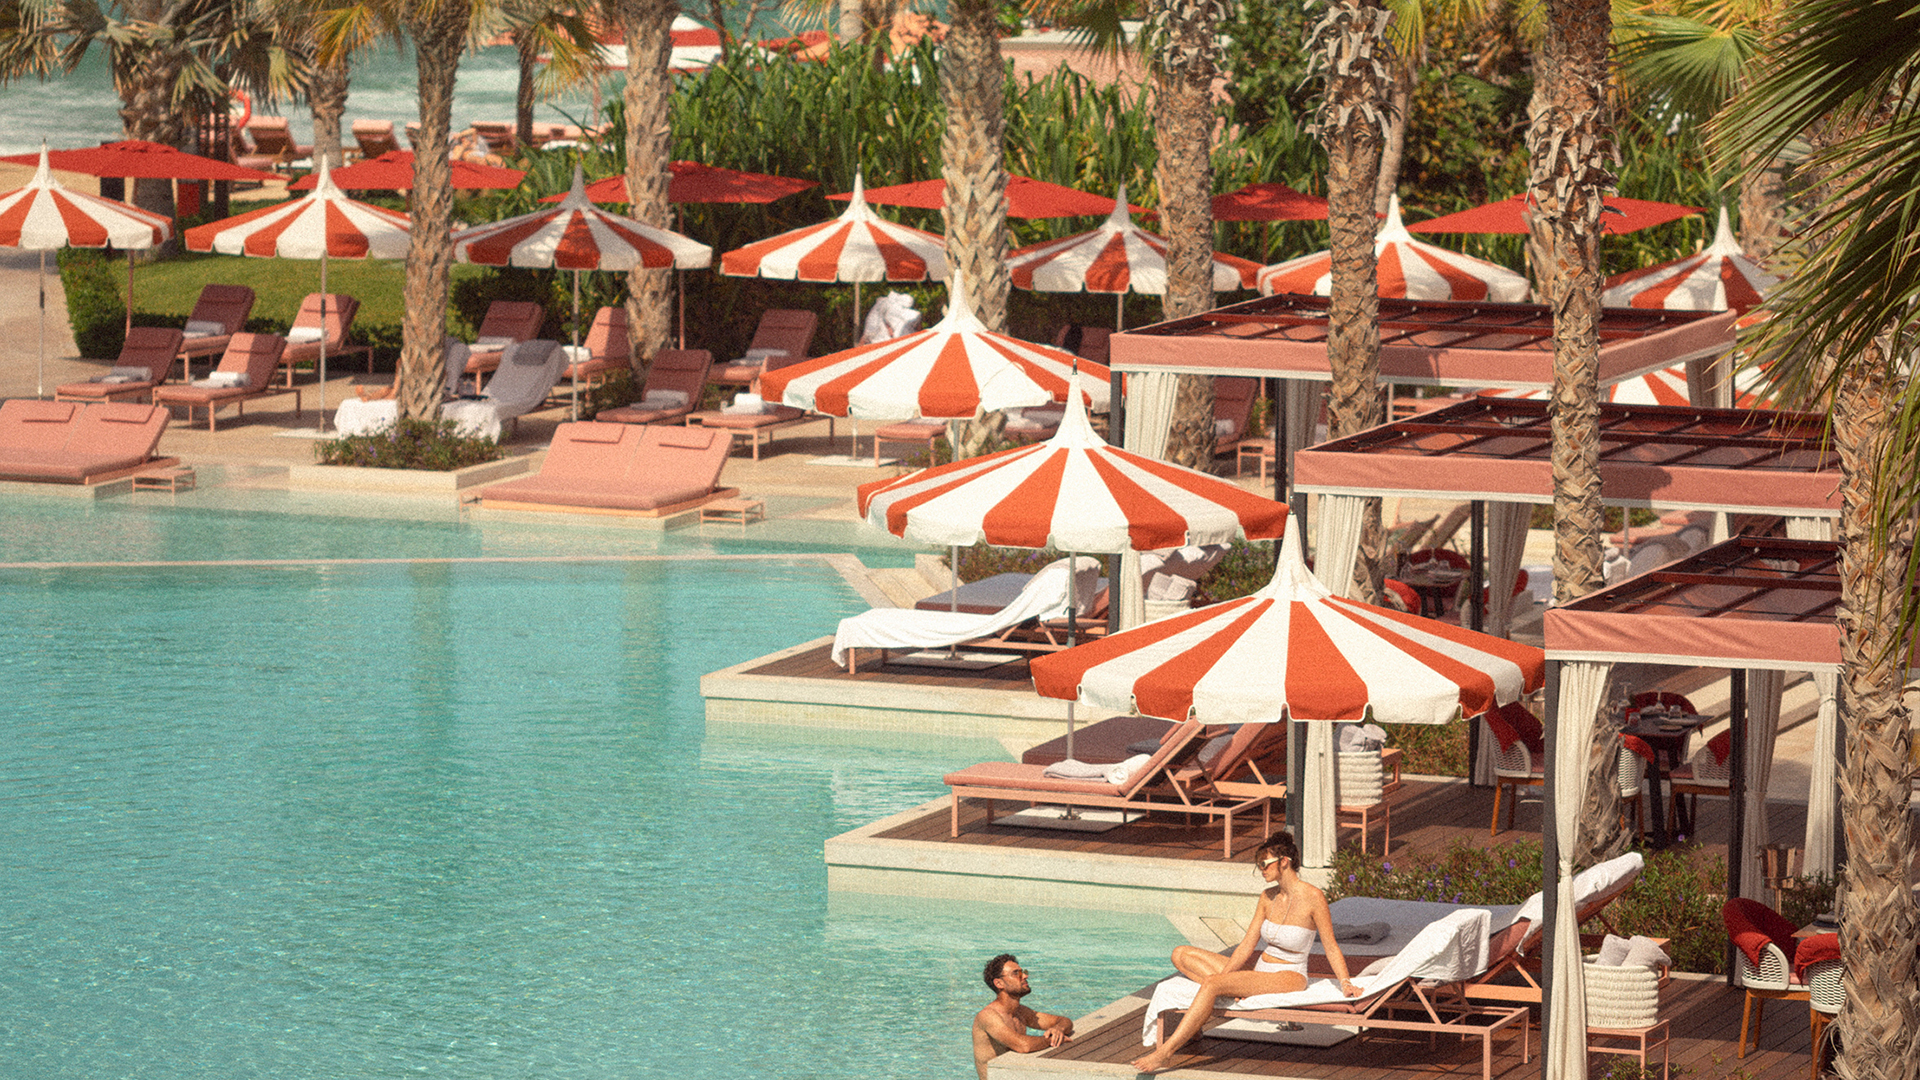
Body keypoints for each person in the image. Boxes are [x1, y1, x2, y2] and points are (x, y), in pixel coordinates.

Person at [1129, 831, 1360, 1074]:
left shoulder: (1314, 897)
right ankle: (1225, 991)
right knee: (1180, 954)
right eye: (1258, 865)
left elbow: (1331, 945)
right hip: (1261, 970)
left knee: (1211, 985)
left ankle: (1165, 1052)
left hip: (1289, 976)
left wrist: (1345, 982)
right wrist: (1226, 979)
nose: (1260, 869)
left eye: (1264, 863)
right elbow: (1246, 945)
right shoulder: (1267, 897)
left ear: (1284, 861)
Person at [972, 953, 1074, 1080]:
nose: (1025, 976)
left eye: (1023, 972)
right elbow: (1023, 1046)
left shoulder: (1020, 1012)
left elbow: (1064, 1021)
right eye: (1016, 973)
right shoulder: (988, 1016)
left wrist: (1059, 1029)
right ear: (999, 983)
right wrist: (1052, 1039)